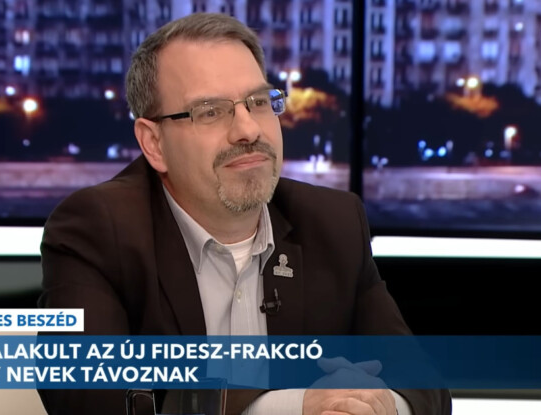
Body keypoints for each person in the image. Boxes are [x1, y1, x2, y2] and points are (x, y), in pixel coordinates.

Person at [39, 12, 451, 415]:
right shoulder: (96, 231)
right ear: (154, 144)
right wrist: (293, 407)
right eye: (210, 111)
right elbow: (91, 396)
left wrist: (376, 405)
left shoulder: (333, 222)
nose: (248, 130)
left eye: (258, 102)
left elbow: (423, 386)